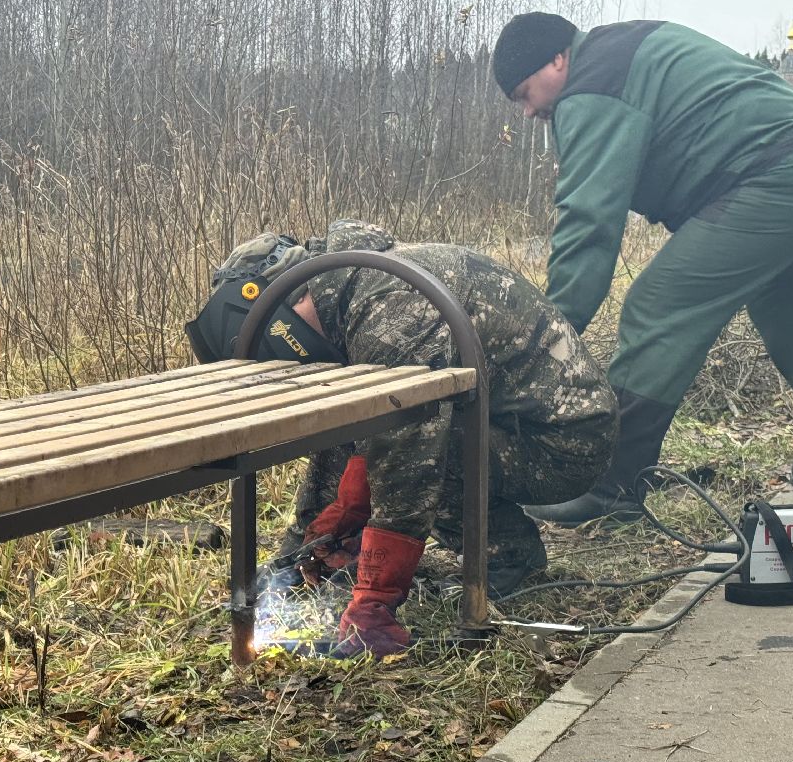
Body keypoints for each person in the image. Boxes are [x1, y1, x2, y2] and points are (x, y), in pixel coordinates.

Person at [490, 12, 793, 525]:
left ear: (557, 59)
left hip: (777, 175)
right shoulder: (621, 51)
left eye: (525, 93)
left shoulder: (591, 86)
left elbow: (588, 224)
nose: (528, 111)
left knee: (658, 307)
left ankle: (612, 484)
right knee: (790, 312)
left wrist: (543, 336)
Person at [188, 219, 618, 657]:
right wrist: (297, 557)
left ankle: (506, 559)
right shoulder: (354, 290)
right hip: (508, 425)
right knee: (390, 437)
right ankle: (330, 563)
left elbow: (410, 459)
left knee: (431, 448)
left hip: (561, 444)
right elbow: (344, 438)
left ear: (290, 300)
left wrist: (374, 599)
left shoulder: (391, 309)